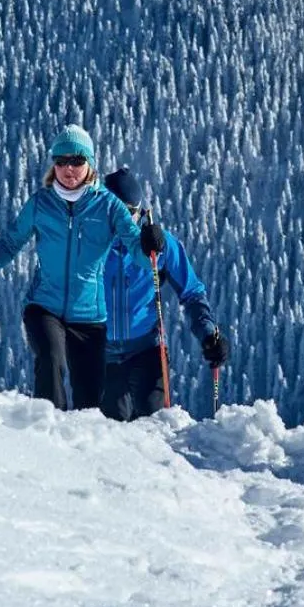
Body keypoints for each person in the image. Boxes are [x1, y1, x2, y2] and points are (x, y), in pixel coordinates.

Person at [0, 125, 166, 411]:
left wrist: (151, 245)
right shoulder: (41, 204)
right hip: (44, 305)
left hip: (90, 317)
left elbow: (140, 254)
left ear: (90, 163)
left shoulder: (108, 207)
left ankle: (79, 441)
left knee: (90, 404)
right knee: (50, 360)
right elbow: (10, 243)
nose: (69, 169)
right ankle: (48, 429)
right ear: (53, 165)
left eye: (77, 161)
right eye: (61, 161)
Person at [100, 167, 229, 421]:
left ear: (139, 212)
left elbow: (192, 293)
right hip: (101, 355)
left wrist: (208, 333)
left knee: (152, 424)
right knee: (109, 431)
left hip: (146, 350)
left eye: (128, 212)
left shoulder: (159, 246)